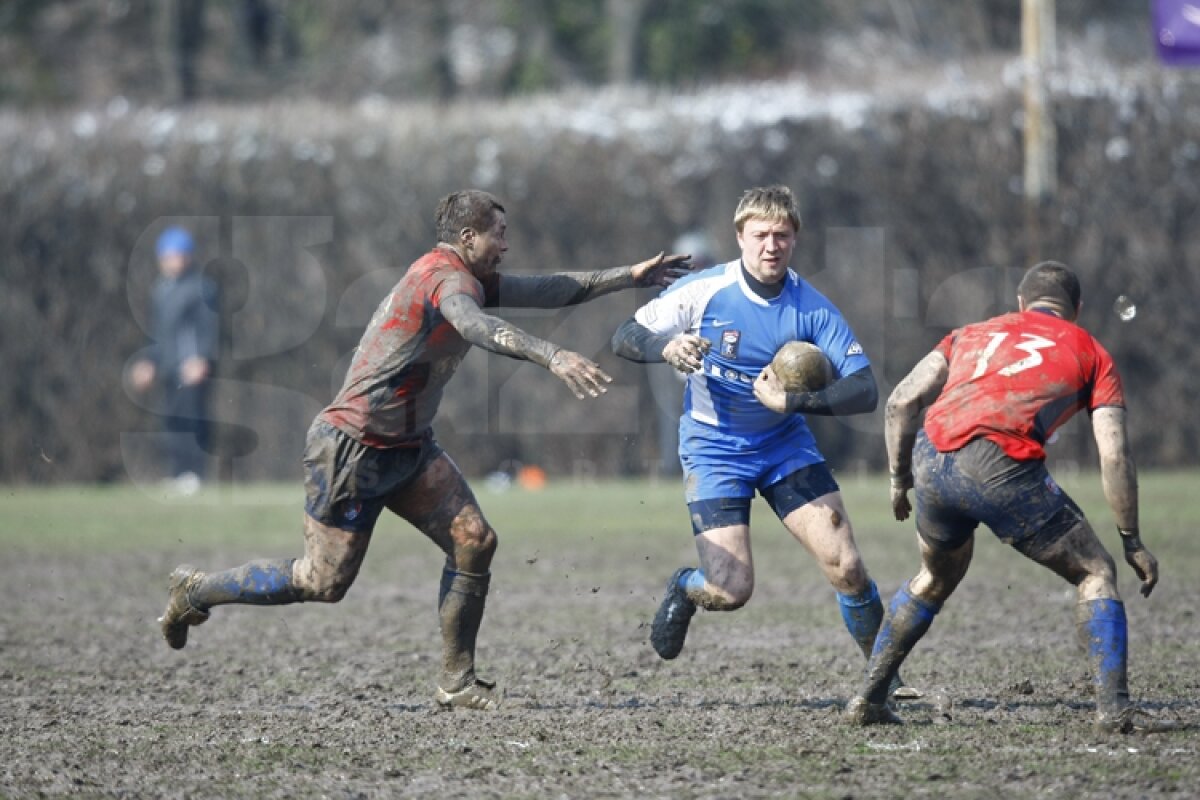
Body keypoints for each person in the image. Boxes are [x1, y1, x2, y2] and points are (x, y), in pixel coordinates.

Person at [158, 189, 691, 710]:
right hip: (353, 449)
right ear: (467, 237)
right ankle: (196, 592)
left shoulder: (470, 275)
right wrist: (552, 355)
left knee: (475, 541)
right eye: (498, 235)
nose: (505, 246)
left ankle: (457, 681)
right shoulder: (445, 278)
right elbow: (475, 325)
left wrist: (630, 276)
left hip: (409, 448)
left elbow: (545, 288)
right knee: (320, 582)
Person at [612, 185, 915, 700]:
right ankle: (686, 588)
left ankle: (886, 680)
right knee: (731, 591)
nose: (771, 245)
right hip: (713, 447)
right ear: (740, 237)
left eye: (782, 235)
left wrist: (792, 405)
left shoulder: (812, 309)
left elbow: (864, 388)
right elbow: (624, 335)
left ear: (795, 239)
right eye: (760, 235)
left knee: (848, 565)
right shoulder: (705, 291)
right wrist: (668, 345)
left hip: (784, 445)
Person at [846, 260, 1168, 734]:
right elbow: (1115, 455)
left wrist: (899, 480)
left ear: (1020, 304)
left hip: (932, 458)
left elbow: (900, 402)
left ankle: (870, 697)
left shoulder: (969, 334)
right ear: (1075, 310)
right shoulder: (1092, 352)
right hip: (999, 463)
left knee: (934, 577)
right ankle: (1114, 711)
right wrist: (1132, 539)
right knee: (1096, 571)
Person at [130, 226, 219, 493]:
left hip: (191, 368)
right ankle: (178, 472)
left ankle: (194, 474)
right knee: (171, 421)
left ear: (187, 257)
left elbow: (210, 328)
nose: (170, 262)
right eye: (166, 256)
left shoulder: (202, 288)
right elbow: (159, 335)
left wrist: (202, 359)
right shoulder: (161, 290)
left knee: (193, 419)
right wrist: (149, 362)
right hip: (168, 368)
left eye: (175, 255)